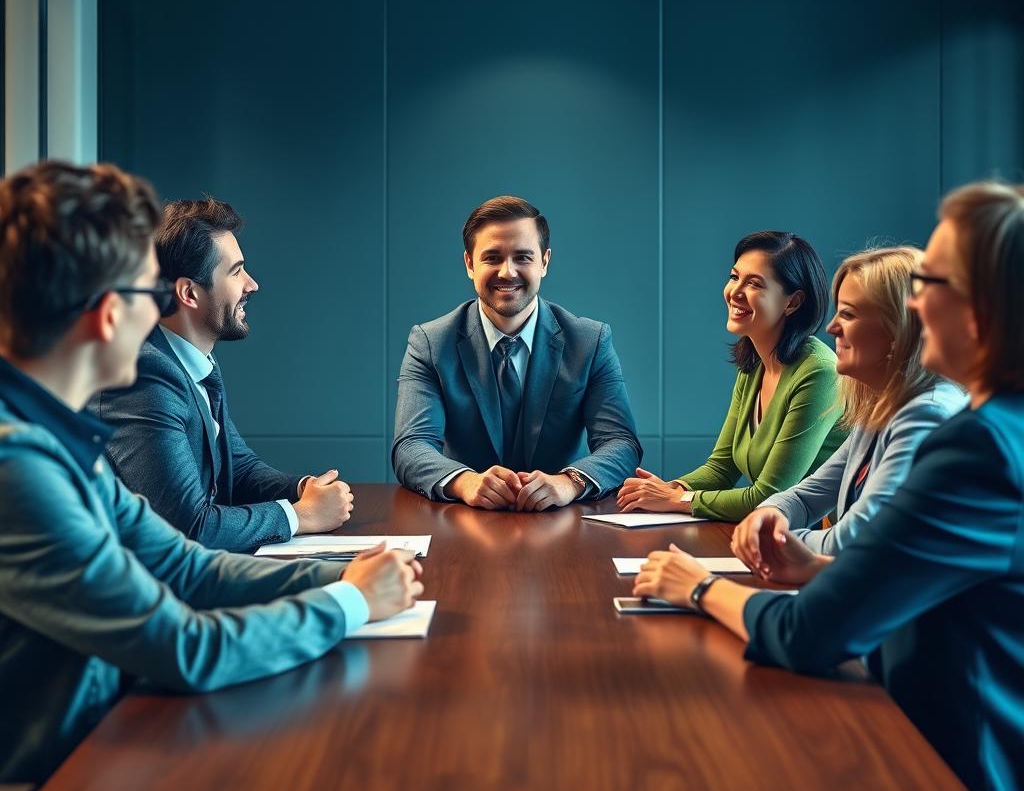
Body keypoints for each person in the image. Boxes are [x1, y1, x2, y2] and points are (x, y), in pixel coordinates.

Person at [0, 161, 422, 791]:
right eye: (150, 296)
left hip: (98, 752)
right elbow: (186, 648)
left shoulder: (61, 441)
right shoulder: (19, 469)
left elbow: (187, 568)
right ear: (110, 314)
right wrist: (353, 601)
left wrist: (350, 574)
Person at [633, 182, 1024, 791]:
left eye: (932, 284)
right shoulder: (991, 427)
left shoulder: (974, 446)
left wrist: (699, 588)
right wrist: (814, 565)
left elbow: (810, 634)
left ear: (986, 309)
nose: (915, 305)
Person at [91, 199, 354, 553]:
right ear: (188, 293)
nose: (252, 284)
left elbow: (238, 468)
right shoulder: (145, 376)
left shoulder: (195, 360)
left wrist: (304, 489)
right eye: (236, 272)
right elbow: (189, 527)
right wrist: (299, 515)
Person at [392, 195, 641, 511]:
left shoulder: (589, 341)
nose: (507, 272)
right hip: (463, 521)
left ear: (545, 262)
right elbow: (411, 446)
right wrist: (465, 481)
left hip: (560, 522)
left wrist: (569, 483)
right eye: (492, 257)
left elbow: (621, 444)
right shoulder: (429, 342)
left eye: (523, 257)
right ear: (469, 263)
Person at [732, 246, 965, 565]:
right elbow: (804, 497)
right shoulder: (881, 406)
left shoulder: (927, 414)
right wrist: (767, 515)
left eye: (849, 314)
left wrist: (774, 539)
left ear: (898, 329)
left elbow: (854, 541)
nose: (832, 328)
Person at [618, 230, 846, 522]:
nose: (735, 292)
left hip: (827, 542)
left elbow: (770, 495)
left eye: (754, 283)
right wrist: (667, 489)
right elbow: (721, 467)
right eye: (734, 276)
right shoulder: (754, 364)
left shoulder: (819, 372)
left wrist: (678, 499)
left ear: (793, 302)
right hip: (781, 538)